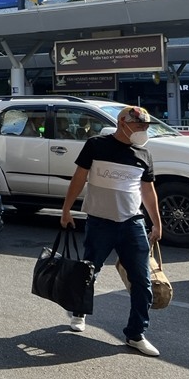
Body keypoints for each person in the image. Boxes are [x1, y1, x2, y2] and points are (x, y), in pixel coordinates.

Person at [60, 105, 162, 356]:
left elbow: (148, 191)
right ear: (122, 123)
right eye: (139, 126)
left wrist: (157, 223)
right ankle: (79, 312)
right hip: (100, 222)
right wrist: (66, 210)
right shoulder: (96, 145)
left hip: (132, 223)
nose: (142, 131)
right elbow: (79, 178)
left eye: (146, 127)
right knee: (89, 272)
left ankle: (136, 334)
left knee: (142, 281)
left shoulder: (144, 154)